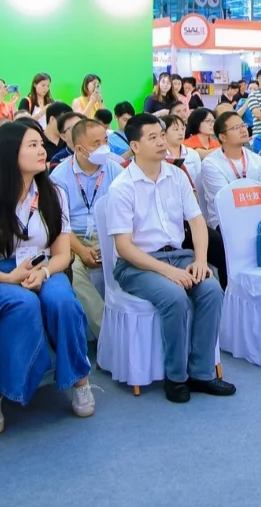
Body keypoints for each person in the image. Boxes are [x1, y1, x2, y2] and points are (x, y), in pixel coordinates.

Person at [0, 122, 94, 435]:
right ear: (9, 152)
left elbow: (63, 255)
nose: (41, 150)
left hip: (42, 268)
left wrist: (44, 272)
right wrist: (9, 279)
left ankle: (79, 380)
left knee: (62, 301)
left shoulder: (53, 193)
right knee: (22, 305)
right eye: (32, 145)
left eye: (40, 144)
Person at [107, 114, 236, 402]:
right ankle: (176, 378)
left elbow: (197, 222)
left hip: (179, 256)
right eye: (152, 137)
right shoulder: (122, 187)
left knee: (211, 290)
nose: (161, 141)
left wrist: (201, 260)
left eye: (161, 135)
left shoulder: (176, 176)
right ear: (135, 146)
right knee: (175, 297)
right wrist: (168, 273)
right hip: (136, 265)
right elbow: (125, 248)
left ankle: (201, 374)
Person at [50, 118, 122, 342]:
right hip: (73, 239)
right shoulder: (59, 177)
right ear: (79, 149)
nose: (104, 148)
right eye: (96, 143)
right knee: (74, 274)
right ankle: (110, 337)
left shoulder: (115, 169)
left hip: (110, 234)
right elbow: (59, 224)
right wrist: (81, 250)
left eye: (105, 141)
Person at [199, 111, 261, 288]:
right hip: (226, 222)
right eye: (236, 127)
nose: (243, 130)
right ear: (222, 137)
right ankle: (232, 294)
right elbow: (226, 202)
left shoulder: (256, 160)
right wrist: (258, 191)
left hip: (257, 217)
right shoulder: (211, 164)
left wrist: (257, 191)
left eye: (243, 126)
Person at [164, 114, 203, 187]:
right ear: (164, 132)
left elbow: (200, 180)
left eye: (182, 129)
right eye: (176, 129)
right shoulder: (159, 155)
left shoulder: (192, 153)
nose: (181, 133)